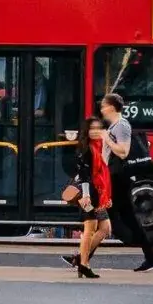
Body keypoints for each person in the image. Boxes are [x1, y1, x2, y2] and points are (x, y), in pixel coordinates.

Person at [101, 91, 153, 272]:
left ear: (111, 107)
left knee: (104, 219)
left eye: (104, 106)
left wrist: (107, 139)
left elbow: (123, 152)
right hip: (115, 177)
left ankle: (81, 258)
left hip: (119, 178)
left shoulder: (121, 125)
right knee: (121, 218)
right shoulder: (115, 125)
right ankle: (151, 258)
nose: (102, 109)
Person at [61, 117, 114, 278]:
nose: (96, 131)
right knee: (90, 228)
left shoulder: (101, 147)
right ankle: (84, 264)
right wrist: (85, 196)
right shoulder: (86, 149)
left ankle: (80, 260)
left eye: (99, 128)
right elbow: (84, 174)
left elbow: (103, 175)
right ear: (87, 131)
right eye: (92, 129)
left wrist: (107, 195)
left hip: (98, 193)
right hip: (88, 195)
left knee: (105, 228)